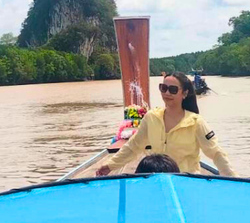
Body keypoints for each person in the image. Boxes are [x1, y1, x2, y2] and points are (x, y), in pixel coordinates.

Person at [96, 72, 236, 177]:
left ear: (184, 93)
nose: (167, 93)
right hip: (157, 180)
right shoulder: (151, 117)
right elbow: (133, 146)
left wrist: (234, 180)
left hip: (186, 180)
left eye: (173, 90)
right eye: (163, 88)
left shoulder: (196, 122)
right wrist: (110, 165)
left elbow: (216, 153)